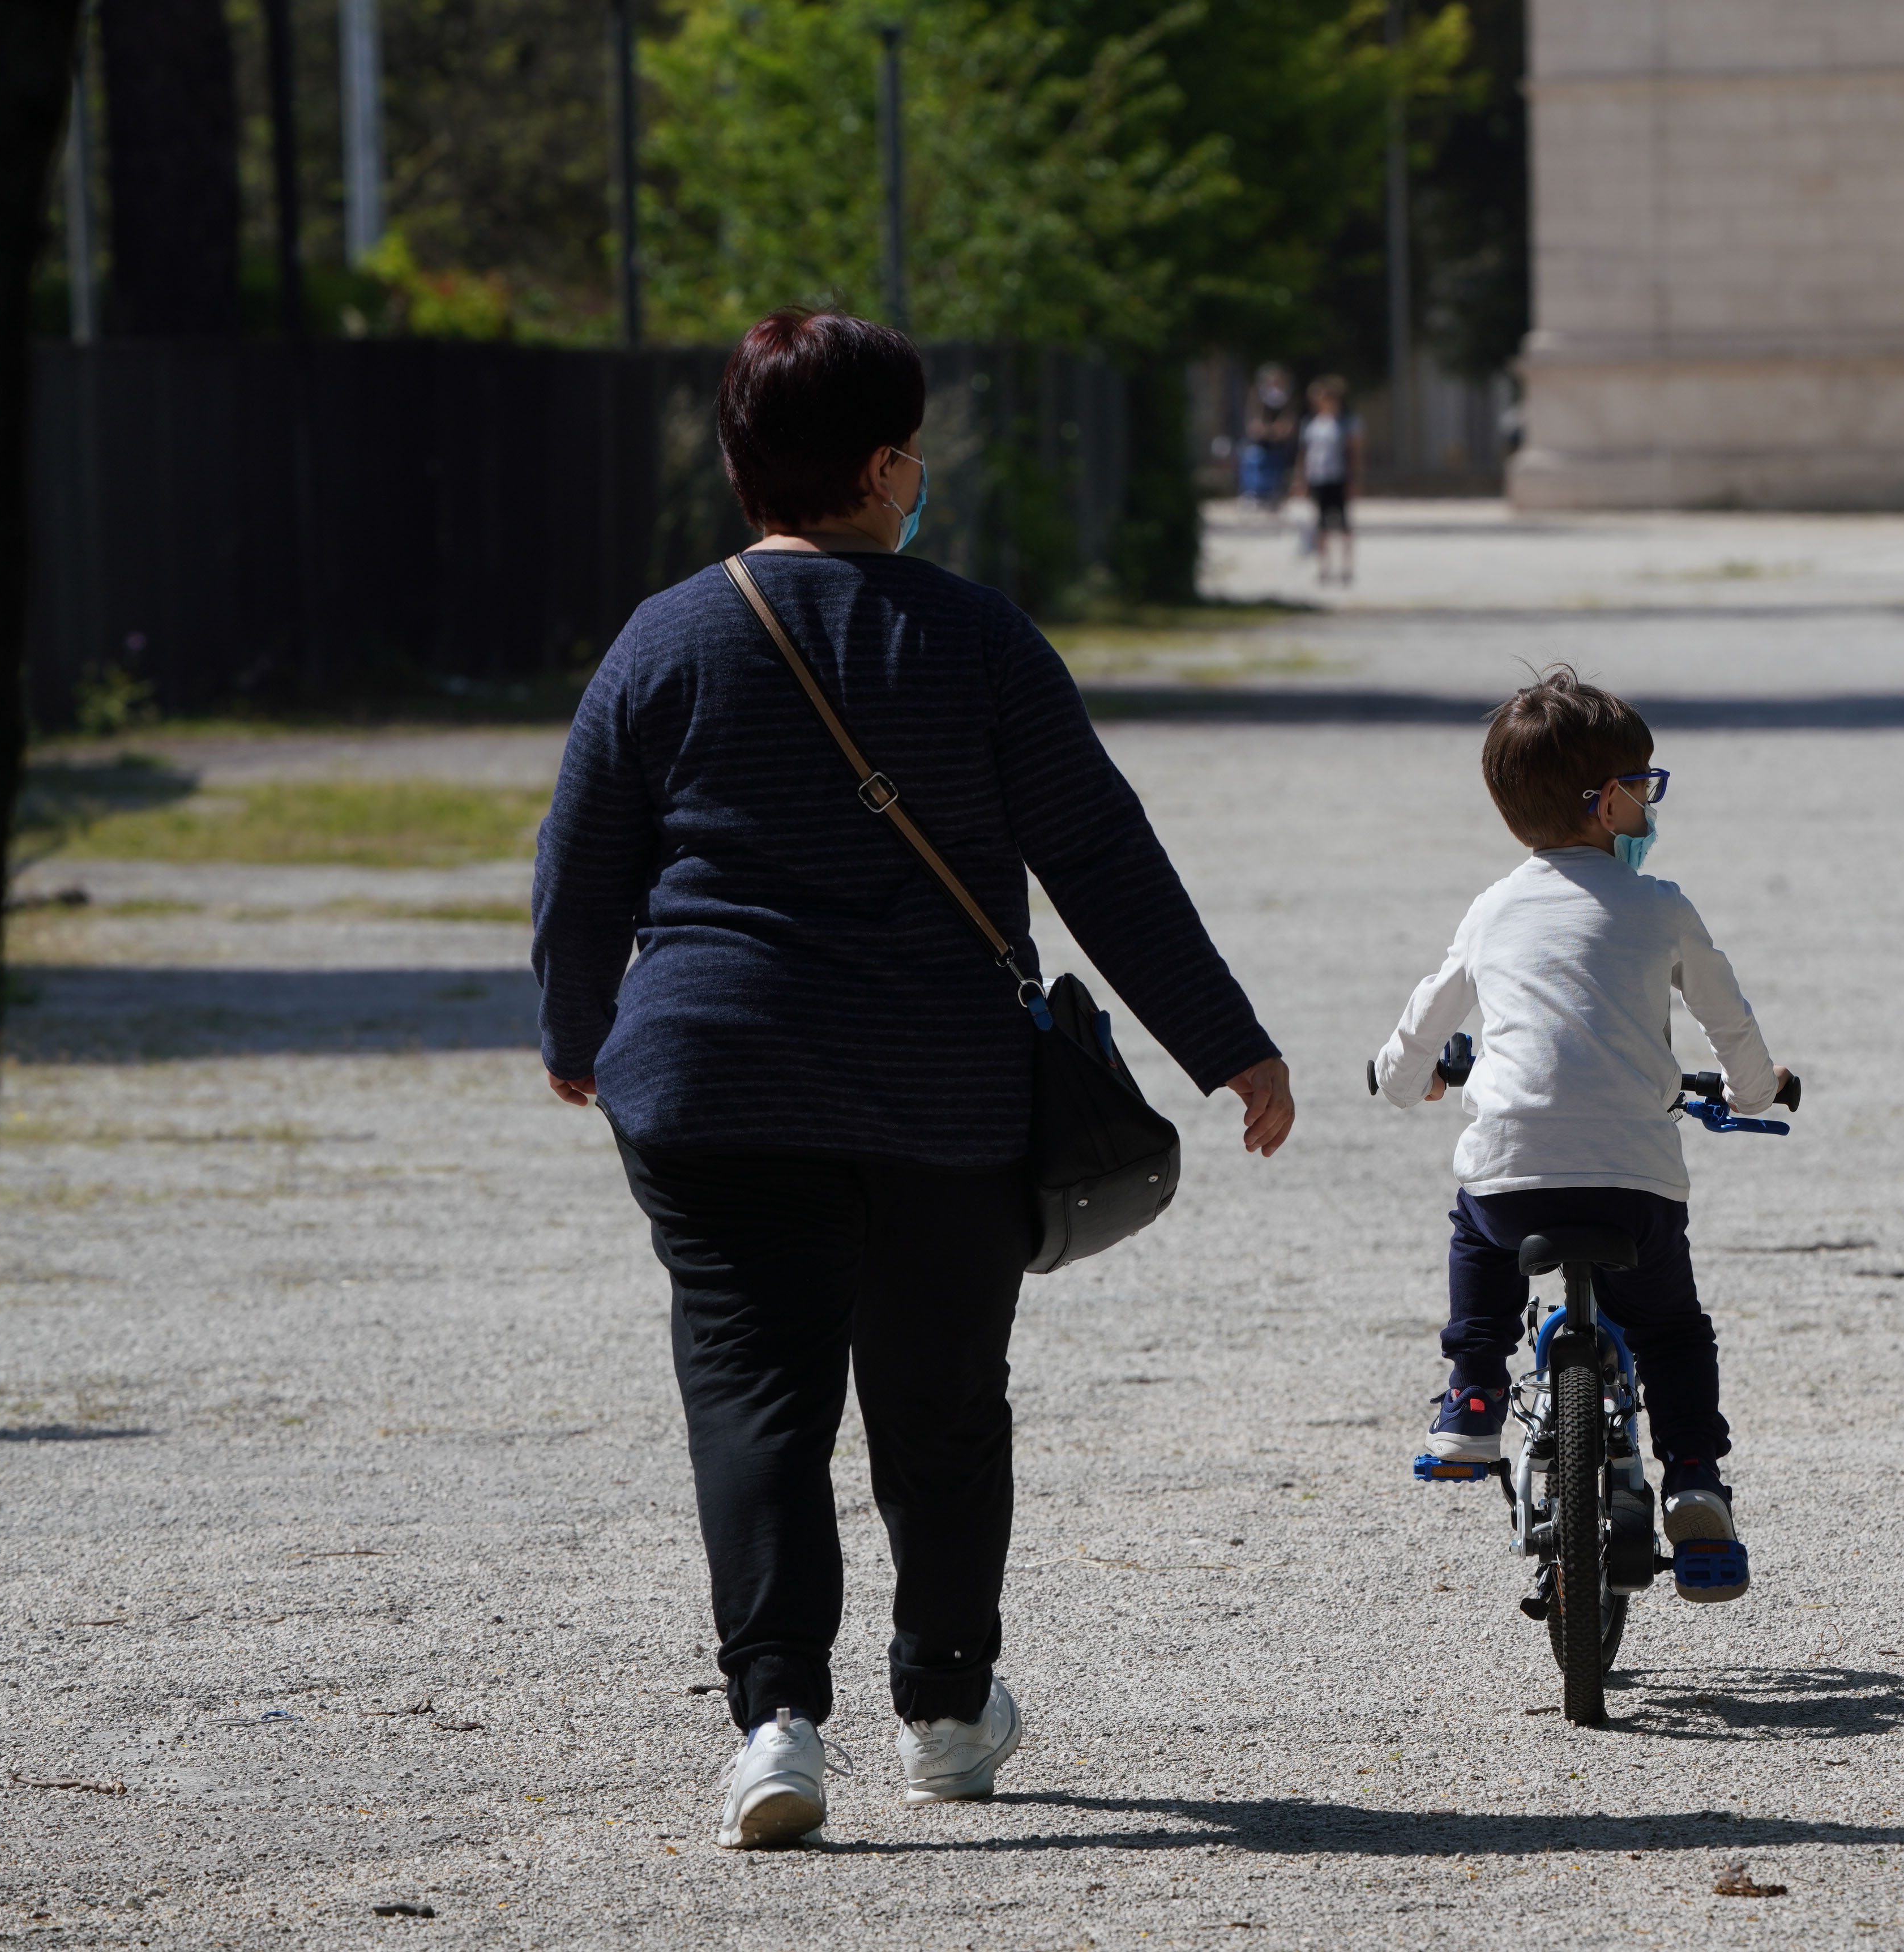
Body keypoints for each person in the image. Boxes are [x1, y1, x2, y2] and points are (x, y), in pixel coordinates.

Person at [531, 308, 1295, 1850]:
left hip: (714, 1081)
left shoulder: (663, 640)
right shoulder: (977, 638)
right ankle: (945, 1711)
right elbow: (1101, 859)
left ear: (743, 468)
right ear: (887, 470)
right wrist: (1230, 1048)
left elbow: (581, 869)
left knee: (755, 1397)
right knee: (940, 1403)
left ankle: (774, 1729)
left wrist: (573, 1035)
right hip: (938, 1085)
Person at [1371, 669, 1789, 1602]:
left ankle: (1473, 1395)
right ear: (1607, 803)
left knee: (1476, 1229)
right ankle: (1691, 1475)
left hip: (1513, 1169)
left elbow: (1419, 1028)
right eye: (1643, 783)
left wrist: (1402, 1081)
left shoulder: (1491, 909)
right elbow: (1733, 1030)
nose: (1650, 798)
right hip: (1632, 1186)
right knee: (1672, 1329)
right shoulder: (1663, 905)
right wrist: (1760, 1087)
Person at [1290, 375, 1361, 585]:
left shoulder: (1347, 422)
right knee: (1321, 525)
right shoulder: (1311, 423)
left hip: (1339, 477)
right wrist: (1300, 479)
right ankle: (1324, 568)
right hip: (1318, 478)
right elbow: (1304, 454)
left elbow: (1355, 454)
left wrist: (1355, 480)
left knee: (1344, 524)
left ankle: (1346, 568)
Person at [1239, 363, 1298, 515]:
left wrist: (1275, 430)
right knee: (1254, 462)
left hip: (1279, 445)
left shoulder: (1287, 400)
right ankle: (1253, 495)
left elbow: (1287, 425)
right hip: (1260, 443)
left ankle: (1274, 496)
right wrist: (1268, 430)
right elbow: (1254, 426)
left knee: (1277, 469)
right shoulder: (1258, 398)